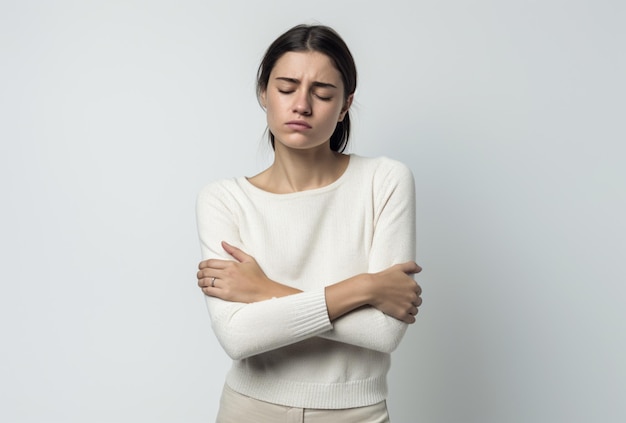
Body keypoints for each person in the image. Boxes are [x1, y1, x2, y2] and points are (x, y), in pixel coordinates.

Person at [195, 23, 422, 423]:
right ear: (264, 93)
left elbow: (385, 333)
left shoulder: (384, 181)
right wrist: (365, 287)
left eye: (322, 93)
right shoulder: (224, 199)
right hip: (250, 409)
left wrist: (264, 289)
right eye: (286, 88)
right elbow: (238, 336)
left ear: (346, 103)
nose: (302, 105)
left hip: (358, 412)